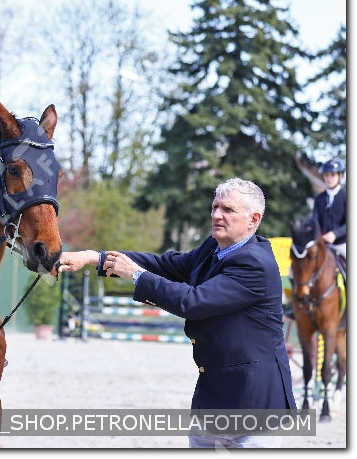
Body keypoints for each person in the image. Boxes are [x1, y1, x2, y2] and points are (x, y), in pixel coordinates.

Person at [56, 178, 296, 448]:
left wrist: (134, 275)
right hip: (213, 394)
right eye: (215, 206)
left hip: (253, 401)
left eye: (227, 210)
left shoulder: (255, 264)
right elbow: (166, 265)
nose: (216, 215)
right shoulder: (213, 248)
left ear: (253, 219)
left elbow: (193, 302)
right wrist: (94, 257)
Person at [312, 158, 346, 262]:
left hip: (342, 243)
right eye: (326, 175)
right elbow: (315, 220)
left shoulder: (346, 196)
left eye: (332, 175)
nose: (329, 178)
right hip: (322, 243)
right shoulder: (319, 198)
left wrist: (335, 234)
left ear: (340, 176)